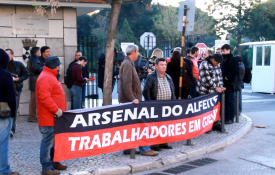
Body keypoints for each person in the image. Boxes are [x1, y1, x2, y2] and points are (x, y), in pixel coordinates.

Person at [119, 44, 158, 156]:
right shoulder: (127, 64)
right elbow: (127, 84)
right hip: (131, 102)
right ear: (133, 53)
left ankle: (128, 148)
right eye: (137, 51)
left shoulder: (128, 63)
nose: (139, 54)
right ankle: (145, 149)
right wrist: (133, 98)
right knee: (140, 125)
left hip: (129, 101)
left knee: (130, 126)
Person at [36, 56, 67, 175]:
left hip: (54, 117)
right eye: (59, 64)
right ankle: (46, 167)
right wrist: (56, 110)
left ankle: (55, 161)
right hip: (49, 117)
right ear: (56, 66)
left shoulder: (49, 76)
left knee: (55, 141)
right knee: (47, 142)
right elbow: (45, 98)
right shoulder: (46, 77)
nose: (60, 66)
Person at [143, 58, 176, 151]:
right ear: (156, 66)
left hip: (167, 107)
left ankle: (163, 142)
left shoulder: (168, 77)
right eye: (161, 65)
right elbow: (146, 91)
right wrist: (150, 104)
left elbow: (172, 90)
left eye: (165, 65)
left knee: (165, 125)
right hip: (156, 106)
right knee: (155, 126)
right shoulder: (151, 76)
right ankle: (154, 144)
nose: (164, 66)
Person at [0, 49, 18, 175]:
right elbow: (11, 97)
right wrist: (13, 114)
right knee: (2, 144)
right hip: (2, 112)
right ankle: (4, 170)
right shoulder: (6, 75)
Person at [197, 54, 226, 131]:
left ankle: (216, 124)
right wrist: (216, 87)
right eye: (217, 62)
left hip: (214, 92)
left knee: (215, 109)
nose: (217, 64)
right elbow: (206, 79)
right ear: (213, 59)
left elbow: (220, 76)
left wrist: (220, 86)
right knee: (206, 111)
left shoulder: (217, 65)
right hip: (205, 91)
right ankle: (206, 126)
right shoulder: (204, 64)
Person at [5, 49, 29, 137]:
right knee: (4, 110)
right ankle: (5, 129)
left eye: (8, 54)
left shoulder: (18, 64)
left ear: (12, 55)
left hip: (15, 90)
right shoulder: (2, 65)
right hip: (4, 92)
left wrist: (18, 79)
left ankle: (12, 129)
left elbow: (26, 74)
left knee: (13, 111)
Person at [220, 44, 239, 124]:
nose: (223, 52)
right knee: (224, 101)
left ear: (229, 50)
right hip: (223, 83)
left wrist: (227, 77)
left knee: (230, 101)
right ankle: (225, 117)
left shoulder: (233, 59)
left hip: (230, 84)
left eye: (224, 50)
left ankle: (230, 117)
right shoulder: (222, 59)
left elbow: (235, 71)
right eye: (222, 50)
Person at [27, 47, 43, 122]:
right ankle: (32, 117)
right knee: (34, 100)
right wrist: (44, 68)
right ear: (36, 52)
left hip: (34, 81)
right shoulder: (35, 59)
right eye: (39, 51)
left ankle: (32, 116)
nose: (40, 52)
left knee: (34, 100)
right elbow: (37, 68)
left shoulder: (33, 58)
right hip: (35, 81)